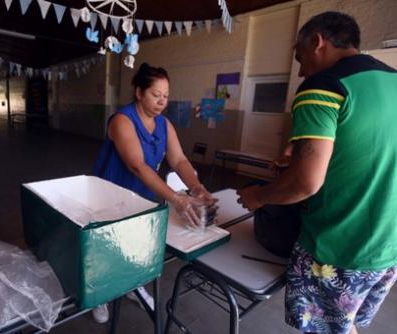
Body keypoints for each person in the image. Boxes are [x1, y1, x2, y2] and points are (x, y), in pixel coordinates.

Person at [236, 11, 397, 334]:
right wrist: (299, 157)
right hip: (387, 245)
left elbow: (305, 182)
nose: (300, 70)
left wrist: (259, 197)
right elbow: (372, 150)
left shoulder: (324, 85)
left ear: (317, 42)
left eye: (300, 58)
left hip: (338, 248)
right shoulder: (392, 80)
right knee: (345, 325)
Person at [91, 62, 217, 323]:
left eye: (166, 96)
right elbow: (137, 165)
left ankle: (132, 287)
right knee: (104, 249)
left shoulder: (164, 125)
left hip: (141, 199)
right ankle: (99, 296)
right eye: (155, 94)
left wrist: (196, 187)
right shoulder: (122, 121)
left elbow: (180, 160)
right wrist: (175, 198)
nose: (162, 101)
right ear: (139, 92)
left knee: (134, 249)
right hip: (109, 198)